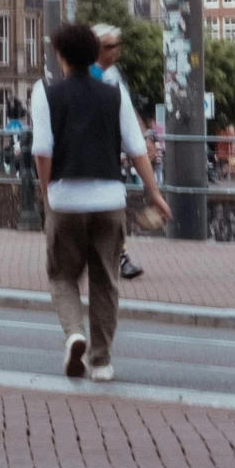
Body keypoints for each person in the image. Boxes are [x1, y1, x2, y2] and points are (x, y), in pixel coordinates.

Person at [32, 23, 169, 381]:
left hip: (65, 199)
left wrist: (47, 195)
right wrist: (154, 193)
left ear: (60, 55)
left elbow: (42, 152)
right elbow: (137, 149)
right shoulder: (114, 93)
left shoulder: (44, 93)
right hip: (109, 199)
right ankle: (102, 362)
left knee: (62, 275)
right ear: (94, 54)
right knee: (105, 281)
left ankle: (75, 333)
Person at [89, 25, 146, 282]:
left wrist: (144, 137)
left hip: (109, 150)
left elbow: (126, 108)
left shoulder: (113, 74)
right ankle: (114, 257)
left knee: (109, 206)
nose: (116, 51)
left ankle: (117, 256)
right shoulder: (88, 74)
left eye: (116, 45)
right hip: (91, 150)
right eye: (110, 46)